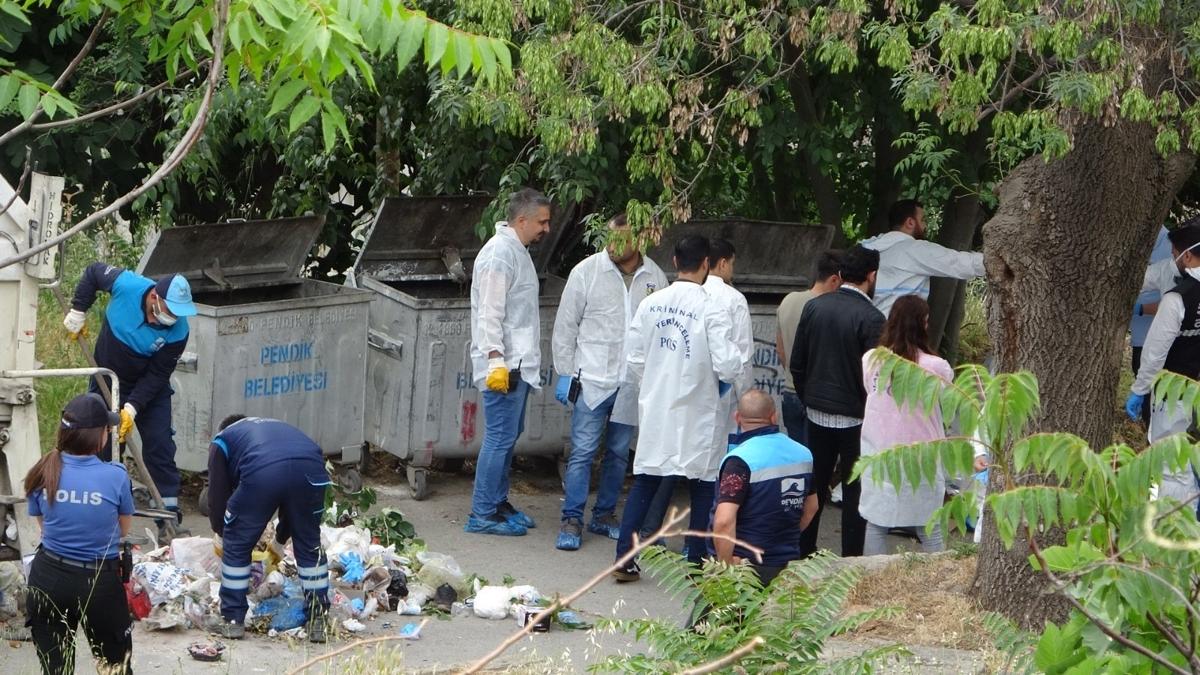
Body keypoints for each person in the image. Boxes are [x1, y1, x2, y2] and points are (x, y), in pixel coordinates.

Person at [613, 235, 744, 581]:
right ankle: (696, 560)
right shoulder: (711, 308)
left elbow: (635, 358)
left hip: (657, 406)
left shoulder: (651, 304)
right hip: (698, 410)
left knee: (647, 477)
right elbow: (729, 364)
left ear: (673, 261)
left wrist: (656, 382)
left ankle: (624, 558)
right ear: (706, 265)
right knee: (702, 482)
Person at [551, 214, 669, 550]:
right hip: (592, 379)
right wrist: (565, 371)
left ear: (640, 240)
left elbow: (658, 333)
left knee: (619, 454)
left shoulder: (655, 277)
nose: (613, 246)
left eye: (622, 239)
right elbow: (566, 327)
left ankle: (603, 516)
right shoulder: (586, 272)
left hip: (631, 383)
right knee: (583, 452)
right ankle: (571, 519)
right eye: (610, 238)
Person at [64, 262, 197, 533]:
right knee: (104, 445)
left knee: (160, 445)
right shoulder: (127, 285)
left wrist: (133, 407)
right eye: (171, 310)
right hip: (108, 379)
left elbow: (158, 374)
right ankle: (101, 512)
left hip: (150, 389)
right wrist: (79, 310)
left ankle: (167, 516)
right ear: (154, 298)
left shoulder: (179, 331)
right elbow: (92, 272)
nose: (175, 317)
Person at [24, 393, 134, 675]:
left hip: (47, 578)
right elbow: (122, 530)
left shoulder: (42, 470)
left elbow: (44, 526)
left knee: (56, 668)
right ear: (99, 437)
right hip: (99, 583)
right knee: (114, 667)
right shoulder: (116, 476)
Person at [466, 188, 552, 536]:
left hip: (517, 362)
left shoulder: (516, 251)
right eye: (542, 222)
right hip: (504, 364)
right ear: (522, 220)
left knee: (508, 436)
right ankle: (482, 513)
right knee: (499, 438)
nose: (547, 228)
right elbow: (490, 312)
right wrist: (495, 360)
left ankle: (498, 504)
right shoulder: (500, 255)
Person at [790, 245, 885, 557]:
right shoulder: (872, 318)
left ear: (841, 274)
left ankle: (804, 553)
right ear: (871, 276)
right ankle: (851, 559)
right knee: (855, 491)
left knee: (814, 486)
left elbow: (798, 363)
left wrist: (808, 398)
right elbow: (876, 378)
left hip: (816, 410)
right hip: (857, 417)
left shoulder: (815, 307)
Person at [207, 416, 332, 642]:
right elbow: (292, 499)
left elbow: (217, 494)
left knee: (237, 542)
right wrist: (279, 542)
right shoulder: (274, 428)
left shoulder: (223, 439)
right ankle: (318, 619)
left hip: (263, 473)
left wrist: (222, 532)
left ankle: (232, 620)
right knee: (309, 544)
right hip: (311, 468)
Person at [859, 296, 960, 555]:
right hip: (922, 454)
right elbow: (948, 407)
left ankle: (872, 578)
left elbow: (870, 391)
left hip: (879, 450)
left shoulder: (872, 359)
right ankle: (938, 580)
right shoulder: (936, 367)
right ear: (922, 324)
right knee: (930, 525)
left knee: (877, 522)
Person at [709, 390, 819, 585]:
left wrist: (726, 564)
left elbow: (724, 521)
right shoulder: (804, 454)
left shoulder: (739, 461)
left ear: (737, 418)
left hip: (744, 566)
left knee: (709, 616)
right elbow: (811, 508)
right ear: (773, 416)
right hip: (784, 562)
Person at [1126, 221, 1200, 505]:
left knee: (1170, 457)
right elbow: (1151, 276)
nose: (1173, 259)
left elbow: (1155, 352)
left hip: (1172, 387)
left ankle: (1175, 522)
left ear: (1188, 256)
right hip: (1194, 381)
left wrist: (1140, 388)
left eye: (1174, 253)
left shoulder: (1176, 300)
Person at [860, 199, 984, 316]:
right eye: (923, 220)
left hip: (867, 327)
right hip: (898, 332)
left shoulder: (868, 247)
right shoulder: (915, 249)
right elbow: (959, 263)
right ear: (910, 222)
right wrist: (996, 259)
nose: (925, 226)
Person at [775, 250, 844, 445]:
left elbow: (780, 351)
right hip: (817, 398)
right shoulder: (828, 309)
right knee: (817, 462)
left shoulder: (788, 300)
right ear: (834, 279)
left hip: (789, 392)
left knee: (797, 458)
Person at [703, 238, 755, 460]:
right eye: (732, 264)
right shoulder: (734, 299)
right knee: (723, 444)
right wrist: (745, 394)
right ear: (723, 263)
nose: (732, 270)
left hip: (694, 382)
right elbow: (743, 352)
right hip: (725, 386)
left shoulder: (694, 292)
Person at [1129, 227, 1173, 423]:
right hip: (1140, 335)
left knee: (1162, 394)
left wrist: (1140, 309)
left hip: (1160, 334)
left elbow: (1173, 303)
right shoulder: (1131, 235)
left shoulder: (1168, 245)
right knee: (1139, 368)